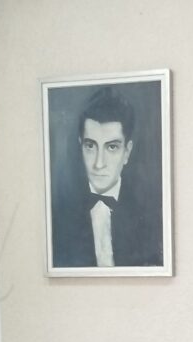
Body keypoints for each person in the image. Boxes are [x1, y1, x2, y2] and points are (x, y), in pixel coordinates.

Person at [51, 87, 159, 268]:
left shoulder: (151, 217)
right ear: (80, 145)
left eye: (112, 147)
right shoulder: (58, 218)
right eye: (90, 146)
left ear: (127, 152)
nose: (98, 164)